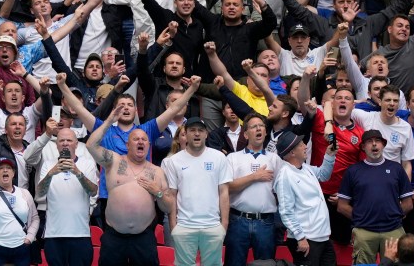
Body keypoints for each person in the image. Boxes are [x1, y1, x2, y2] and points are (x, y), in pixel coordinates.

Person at [84, 105, 171, 266]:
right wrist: (110, 120)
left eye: (144, 139)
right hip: (114, 237)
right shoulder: (114, 161)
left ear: (149, 145)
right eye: (135, 139)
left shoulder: (157, 171)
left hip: (144, 236)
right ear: (127, 145)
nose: (140, 141)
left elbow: (169, 207)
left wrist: (157, 192)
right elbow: (91, 145)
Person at [162, 116, 233, 266]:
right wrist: (174, 226)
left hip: (213, 226)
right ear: (185, 133)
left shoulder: (219, 157)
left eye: (200, 130)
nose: (196, 134)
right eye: (192, 130)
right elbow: (172, 195)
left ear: (206, 134)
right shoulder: (174, 161)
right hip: (184, 226)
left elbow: (224, 193)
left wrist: (224, 224)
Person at [337, 130, 414, 264]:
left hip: (393, 231)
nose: (374, 145)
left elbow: (408, 203)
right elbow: (342, 206)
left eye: (378, 141)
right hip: (364, 232)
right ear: (362, 147)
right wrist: (361, 219)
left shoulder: (396, 168)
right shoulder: (353, 171)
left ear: (383, 145)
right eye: (369, 142)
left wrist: (393, 215)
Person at [35, 127, 99, 266]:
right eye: (61, 140)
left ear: (76, 144)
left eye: (69, 140)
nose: (65, 143)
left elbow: (93, 191)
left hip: (80, 234)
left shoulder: (87, 163)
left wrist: (77, 172)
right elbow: (39, 193)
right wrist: (51, 173)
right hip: (54, 235)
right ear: (56, 145)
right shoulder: (48, 165)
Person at [223, 113, 280, 266]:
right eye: (254, 127)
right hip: (238, 220)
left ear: (266, 132)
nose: (258, 129)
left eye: (261, 126)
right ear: (246, 134)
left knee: (265, 264)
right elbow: (226, 188)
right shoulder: (232, 158)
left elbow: (283, 189)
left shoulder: (275, 159)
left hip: (265, 222)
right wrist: (254, 177)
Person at [275, 131, 338, 266]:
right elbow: (286, 211)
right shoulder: (284, 176)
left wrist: (329, 155)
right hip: (306, 240)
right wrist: (300, 237)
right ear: (292, 153)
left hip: (323, 236)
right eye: (301, 144)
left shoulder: (305, 168)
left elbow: (323, 175)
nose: (305, 146)